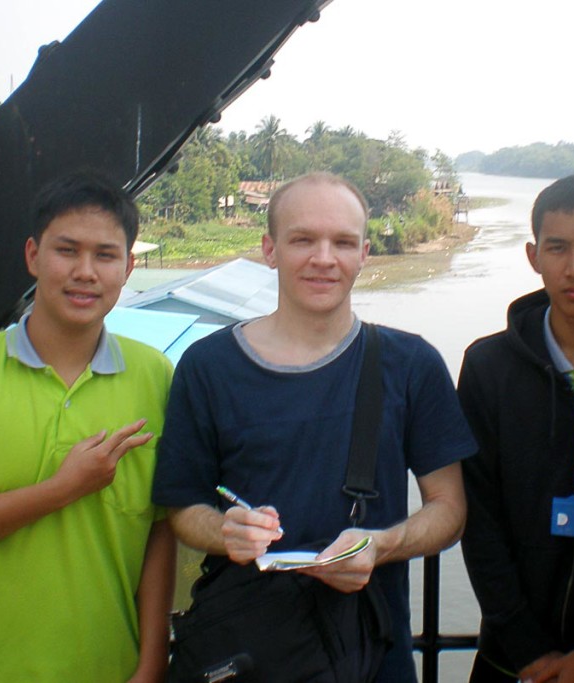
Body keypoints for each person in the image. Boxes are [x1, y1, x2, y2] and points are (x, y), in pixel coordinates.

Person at [151, 172, 477, 682]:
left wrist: (381, 545)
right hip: (248, 650)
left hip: (369, 653)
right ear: (270, 249)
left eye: (343, 242)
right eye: (303, 239)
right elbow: (182, 508)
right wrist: (226, 531)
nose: (323, 258)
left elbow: (450, 510)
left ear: (365, 253)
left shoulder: (410, 364)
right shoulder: (208, 366)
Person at [0, 171, 176, 682]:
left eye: (105, 255)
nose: (85, 271)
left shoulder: (155, 376)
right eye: (67, 250)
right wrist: (62, 490)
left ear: (129, 267)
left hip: (110, 670)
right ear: (32, 256)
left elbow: (157, 529)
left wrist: (151, 663)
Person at [458, 175, 574, 683]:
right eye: (558, 248)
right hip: (513, 659)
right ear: (532, 255)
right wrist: (529, 650)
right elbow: (478, 519)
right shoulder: (489, 367)